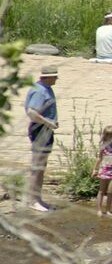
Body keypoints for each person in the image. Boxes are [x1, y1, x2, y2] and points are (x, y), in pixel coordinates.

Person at [24, 65, 59, 212]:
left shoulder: (46, 88)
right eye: (55, 76)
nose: (57, 78)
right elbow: (32, 112)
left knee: (41, 167)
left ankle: (37, 199)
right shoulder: (40, 91)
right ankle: (32, 200)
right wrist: (48, 122)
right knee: (37, 167)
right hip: (40, 131)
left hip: (45, 131)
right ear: (47, 77)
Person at [94, 125, 112, 216]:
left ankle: (108, 210)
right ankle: (99, 210)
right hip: (104, 170)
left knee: (110, 192)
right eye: (107, 135)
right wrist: (95, 169)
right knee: (101, 191)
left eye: (111, 135)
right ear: (104, 136)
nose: (109, 137)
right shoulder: (103, 147)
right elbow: (99, 158)